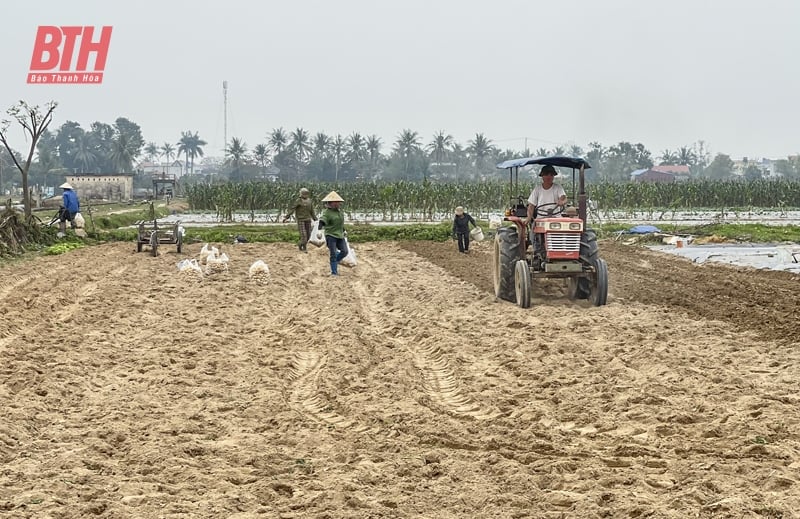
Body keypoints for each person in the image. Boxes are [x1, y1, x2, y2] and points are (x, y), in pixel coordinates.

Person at [317, 191, 348, 276]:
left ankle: (335, 262)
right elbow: (322, 221)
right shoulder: (327, 212)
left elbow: (340, 222)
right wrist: (319, 230)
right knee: (333, 253)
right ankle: (334, 272)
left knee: (345, 251)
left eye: (338, 202)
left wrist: (344, 230)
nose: (338, 203)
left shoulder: (339, 212)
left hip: (340, 234)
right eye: (336, 202)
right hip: (331, 235)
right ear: (330, 203)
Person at [283, 187, 317, 252]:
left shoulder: (309, 201)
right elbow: (292, 209)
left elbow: (312, 211)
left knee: (308, 235)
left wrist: (316, 219)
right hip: (301, 220)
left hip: (308, 220)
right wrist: (286, 217)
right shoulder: (298, 201)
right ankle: (303, 247)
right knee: (304, 235)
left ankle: (301, 244)